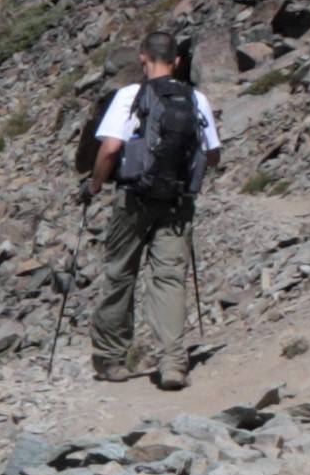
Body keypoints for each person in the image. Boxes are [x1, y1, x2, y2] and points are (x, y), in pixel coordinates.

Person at [83, 28, 217, 387]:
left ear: (142, 58)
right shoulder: (195, 99)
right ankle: (172, 364)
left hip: (133, 198)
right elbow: (212, 152)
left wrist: (95, 185)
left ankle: (112, 361)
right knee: (169, 279)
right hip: (176, 203)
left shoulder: (130, 95)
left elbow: (110, 149)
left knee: (120, 273)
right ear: (177, 61)